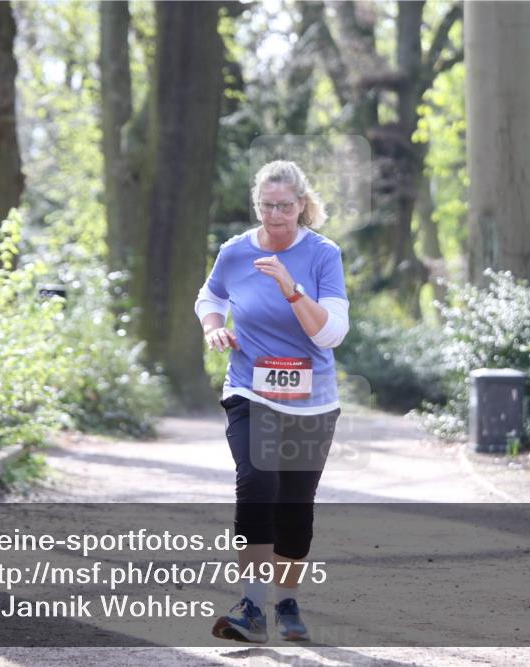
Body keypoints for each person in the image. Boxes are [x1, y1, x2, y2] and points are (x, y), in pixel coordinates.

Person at [195, 160, 349, 643]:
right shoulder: (235, 252)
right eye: (267, 205)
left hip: (311, 403)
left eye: (285, 205)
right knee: (257, 483)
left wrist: (291, 288)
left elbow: (331, 334)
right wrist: (214, 327)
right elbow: (210, 295)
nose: (276, 214)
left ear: (302, 205)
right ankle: (251, 604)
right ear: (256, 205)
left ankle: (285, 600)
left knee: (295, 508)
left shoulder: (323, 254)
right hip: (249, 389)